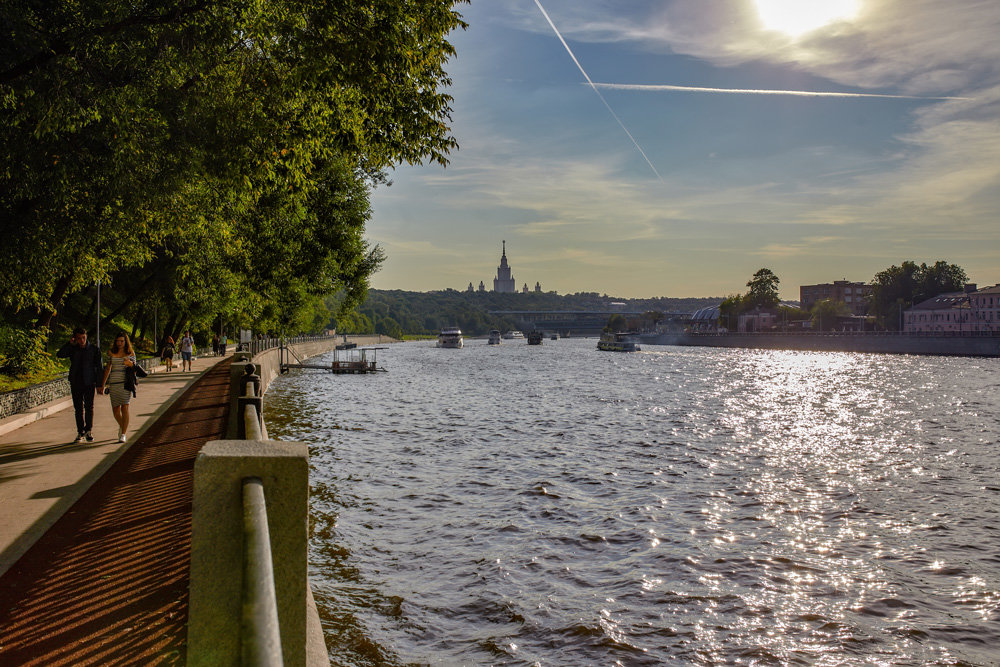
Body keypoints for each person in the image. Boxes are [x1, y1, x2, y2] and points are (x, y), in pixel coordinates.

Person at [56, 327, 104, 443]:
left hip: (89, 382)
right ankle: (80, 431)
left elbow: (100, 367)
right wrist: (69, 344)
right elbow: (60, 354)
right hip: (76, 382)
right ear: (75, 338)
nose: (81, 340)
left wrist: (100, 384)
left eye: (83, 338)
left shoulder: (94, 350)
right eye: (79, 338)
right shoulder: (73, 349)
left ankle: (88, 430)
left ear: (86, 336)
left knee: (89, 407)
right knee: (78, 409)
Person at [101, 332, 137, 443]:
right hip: (114, 383)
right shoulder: (111, 353)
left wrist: (130, 364)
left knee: (125, 407)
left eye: (122, 341)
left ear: (126, 342)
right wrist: (103, 384)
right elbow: (108, 369)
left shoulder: (130, 353)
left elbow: (135, 369)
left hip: (125, 383)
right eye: (118, 341)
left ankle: (123, 434)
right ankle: (123, 426)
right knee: (116, 410)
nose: (119, 343)